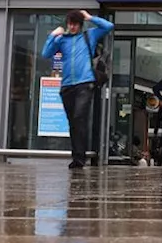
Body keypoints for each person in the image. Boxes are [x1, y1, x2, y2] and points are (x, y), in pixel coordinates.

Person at [41, 10, 114, 169]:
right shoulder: (62, 40)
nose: (72, 27)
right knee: (73, 122)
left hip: (85, 83)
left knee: (79, 116)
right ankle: (77, 157)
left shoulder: (89, 36)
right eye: (70, 24)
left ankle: (80, 157)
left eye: (76, 24)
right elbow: (46, 53)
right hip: (67, 86)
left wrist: (89, 17)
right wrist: (53, 35)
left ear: (80, 25)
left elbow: (109, 26)